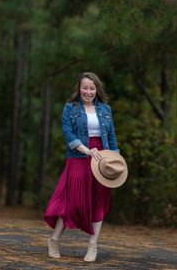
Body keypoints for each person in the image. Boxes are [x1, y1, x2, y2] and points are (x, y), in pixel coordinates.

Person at [44, 72, 120, 262]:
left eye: (92, 88)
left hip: (103, 160)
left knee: (98, 201)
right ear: (79, 89)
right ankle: (54, 240)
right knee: (72, 202)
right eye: (85, 87)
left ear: (97, 89)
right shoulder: (70, 108)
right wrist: (87, 150)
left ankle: (93, 246)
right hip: (79, 156)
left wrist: (116, 158)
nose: (88, 91)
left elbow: (111, 137)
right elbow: (68, 133)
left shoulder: (106, 110)